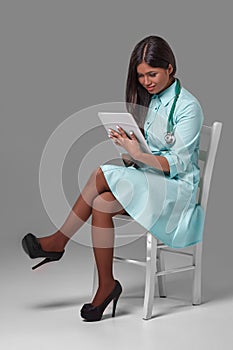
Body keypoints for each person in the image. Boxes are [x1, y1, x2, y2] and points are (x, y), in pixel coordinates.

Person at [21, 35, 205, 322]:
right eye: (141, 75)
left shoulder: (188, 107)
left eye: (152, 74)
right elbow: (148, 155)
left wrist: (139, 156)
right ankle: (107, 286)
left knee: (99, 173)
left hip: (175, 192)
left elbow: (176, 164)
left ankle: (58, 241)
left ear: (170, 68)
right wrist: (130, 151)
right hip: (151, 182)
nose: (146, 81)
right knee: (103, 203)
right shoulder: (153, 101)